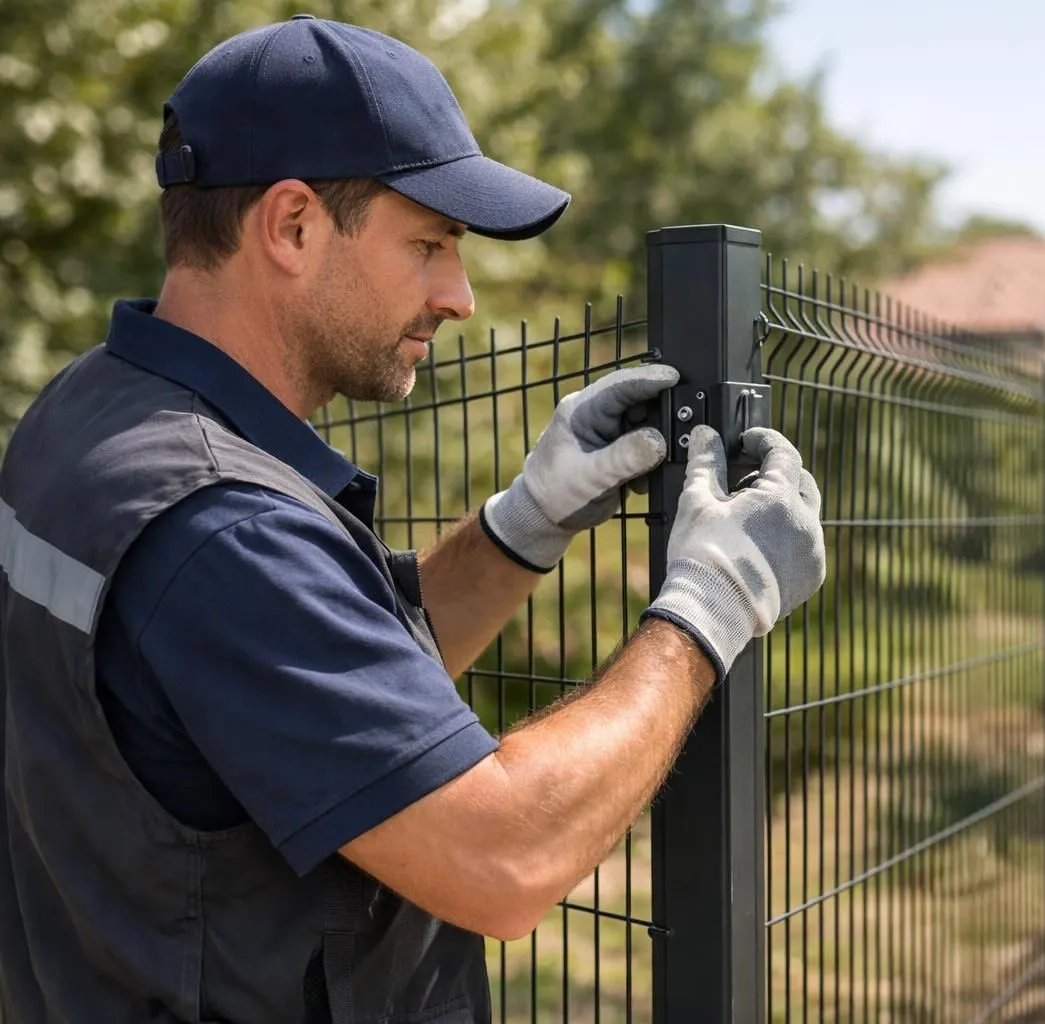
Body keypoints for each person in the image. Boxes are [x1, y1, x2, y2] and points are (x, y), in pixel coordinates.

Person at [0, 14, 825, 1023]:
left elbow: (317, 689)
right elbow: (504, 853)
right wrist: (712, 603)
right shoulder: (223, 526)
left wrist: (526, 522)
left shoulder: (90, 411)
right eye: (430, 244)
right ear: (292, 225)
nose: (461, 296)